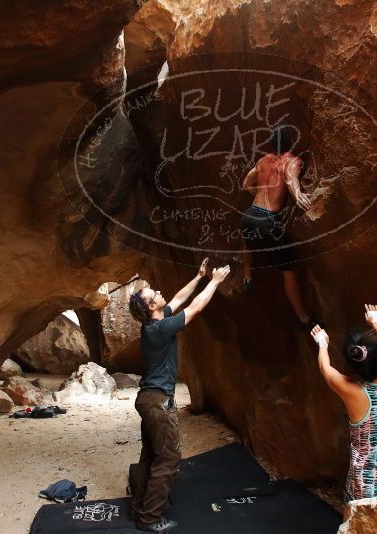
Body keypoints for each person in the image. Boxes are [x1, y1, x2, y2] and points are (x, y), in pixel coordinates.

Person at [127, 258, 230, 532]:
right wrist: (215, 282)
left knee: (150, 456)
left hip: (149, 400)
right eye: (154, 295)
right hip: (158, 403)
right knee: (169, 459)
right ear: (151, 307)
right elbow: (194, 308)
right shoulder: (159, 329)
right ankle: (150, 519)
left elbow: (179, 298)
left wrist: (198, 277)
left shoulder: (156, 322)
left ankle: (139, 508)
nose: (160, 293)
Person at [310, 304, 377, 511]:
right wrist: (376, 323)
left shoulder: (352, 390)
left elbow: (325, 367)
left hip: (363, 489)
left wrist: (322, 342)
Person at [239, 125, 314, 328]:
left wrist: (257, 199)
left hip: (250, 215)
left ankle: (247, 277)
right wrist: (298, 195)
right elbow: (290, 179)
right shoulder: (293, 161)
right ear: (291, 142)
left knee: (247, 240)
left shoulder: (263, 161)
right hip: (268, 221)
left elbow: (246, 182)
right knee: (289, 270)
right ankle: (303, 317)